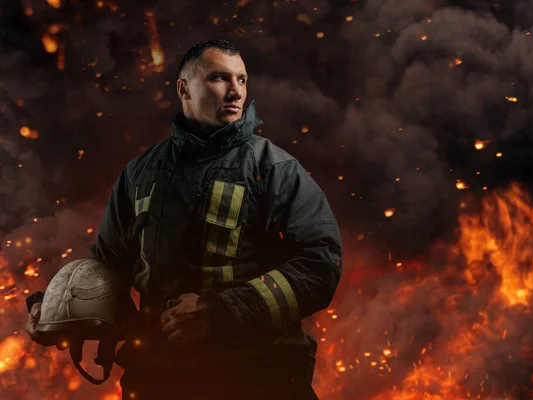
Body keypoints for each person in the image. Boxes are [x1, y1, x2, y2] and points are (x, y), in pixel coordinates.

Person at [26, 39, 343, 399]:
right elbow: (108, 266)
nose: (235, 91)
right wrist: (55, 305)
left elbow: (321, 264)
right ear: (184, 88)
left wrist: (222, 312)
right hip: (160, 380)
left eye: (241, 80)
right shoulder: (140, 173)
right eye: (220, 78)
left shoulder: (275, 170)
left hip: (257, 377)